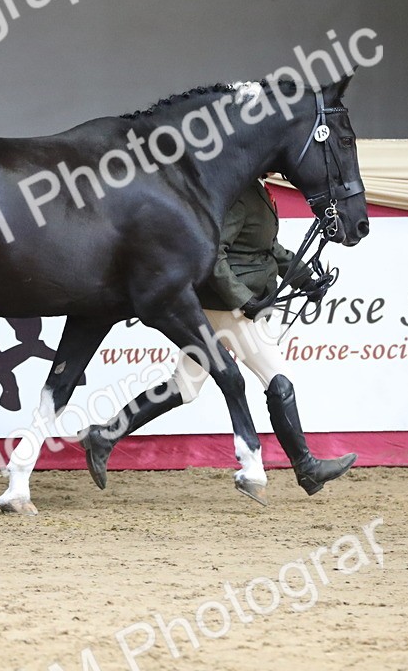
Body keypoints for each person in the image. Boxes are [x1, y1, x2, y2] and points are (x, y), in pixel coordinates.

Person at [79, 178, 356, 502]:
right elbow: (215, 254)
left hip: (214, 307)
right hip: (229, 308)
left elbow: (270, 250)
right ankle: (305, 467)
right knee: (278, 378)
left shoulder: (256, 190)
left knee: (184, 386)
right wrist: (243, 299)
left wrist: (307, 281)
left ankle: (104, 436)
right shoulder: (239, 194)